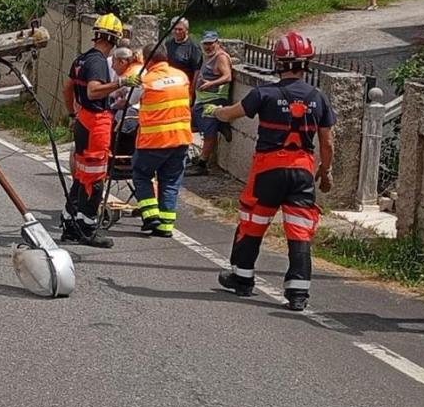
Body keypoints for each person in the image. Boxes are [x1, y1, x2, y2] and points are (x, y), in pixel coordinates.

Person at [211, 31, 335, 311]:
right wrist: (325, 172)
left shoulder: (263, 93)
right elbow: (327, 142)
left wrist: (215, 112)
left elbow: (231, 113)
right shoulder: (318, 97)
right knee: (300, 232)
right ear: (307, 64)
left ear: (278, 62)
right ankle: (298, 294)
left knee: (252, 222)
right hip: (302, 171)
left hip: (268, 169)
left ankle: (242, 280)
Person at [61, 14, 128, 247]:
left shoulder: (81, 59)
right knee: (95, 177)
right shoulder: (99, 62)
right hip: (96, 122)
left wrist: (72, 114)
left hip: (82, 120)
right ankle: (88, 228)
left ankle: (70, 224)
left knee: (80, 176)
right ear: (115, 39)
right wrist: (120, 84)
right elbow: (93, 91)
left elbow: (67, 88)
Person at [127, 41, 194, 237]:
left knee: (141, 174)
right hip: (181, 139)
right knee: (171, 181)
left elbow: (131, 101)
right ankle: (165, 227)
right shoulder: (182, 77)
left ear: (147, 61)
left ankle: (150, 216)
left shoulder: (145, 80)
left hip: (154, 140)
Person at [189, 31, 233, 175]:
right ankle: (221, 125)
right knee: (198, 127)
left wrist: (211, 84)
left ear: (217, 43)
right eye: (205, 44)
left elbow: (227, 76)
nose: (208, 46)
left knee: (209, 133)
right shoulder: (208, 56)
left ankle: (202, 164)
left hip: (213, 101)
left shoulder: (220, 57)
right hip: (202, 101)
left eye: (211, 43)